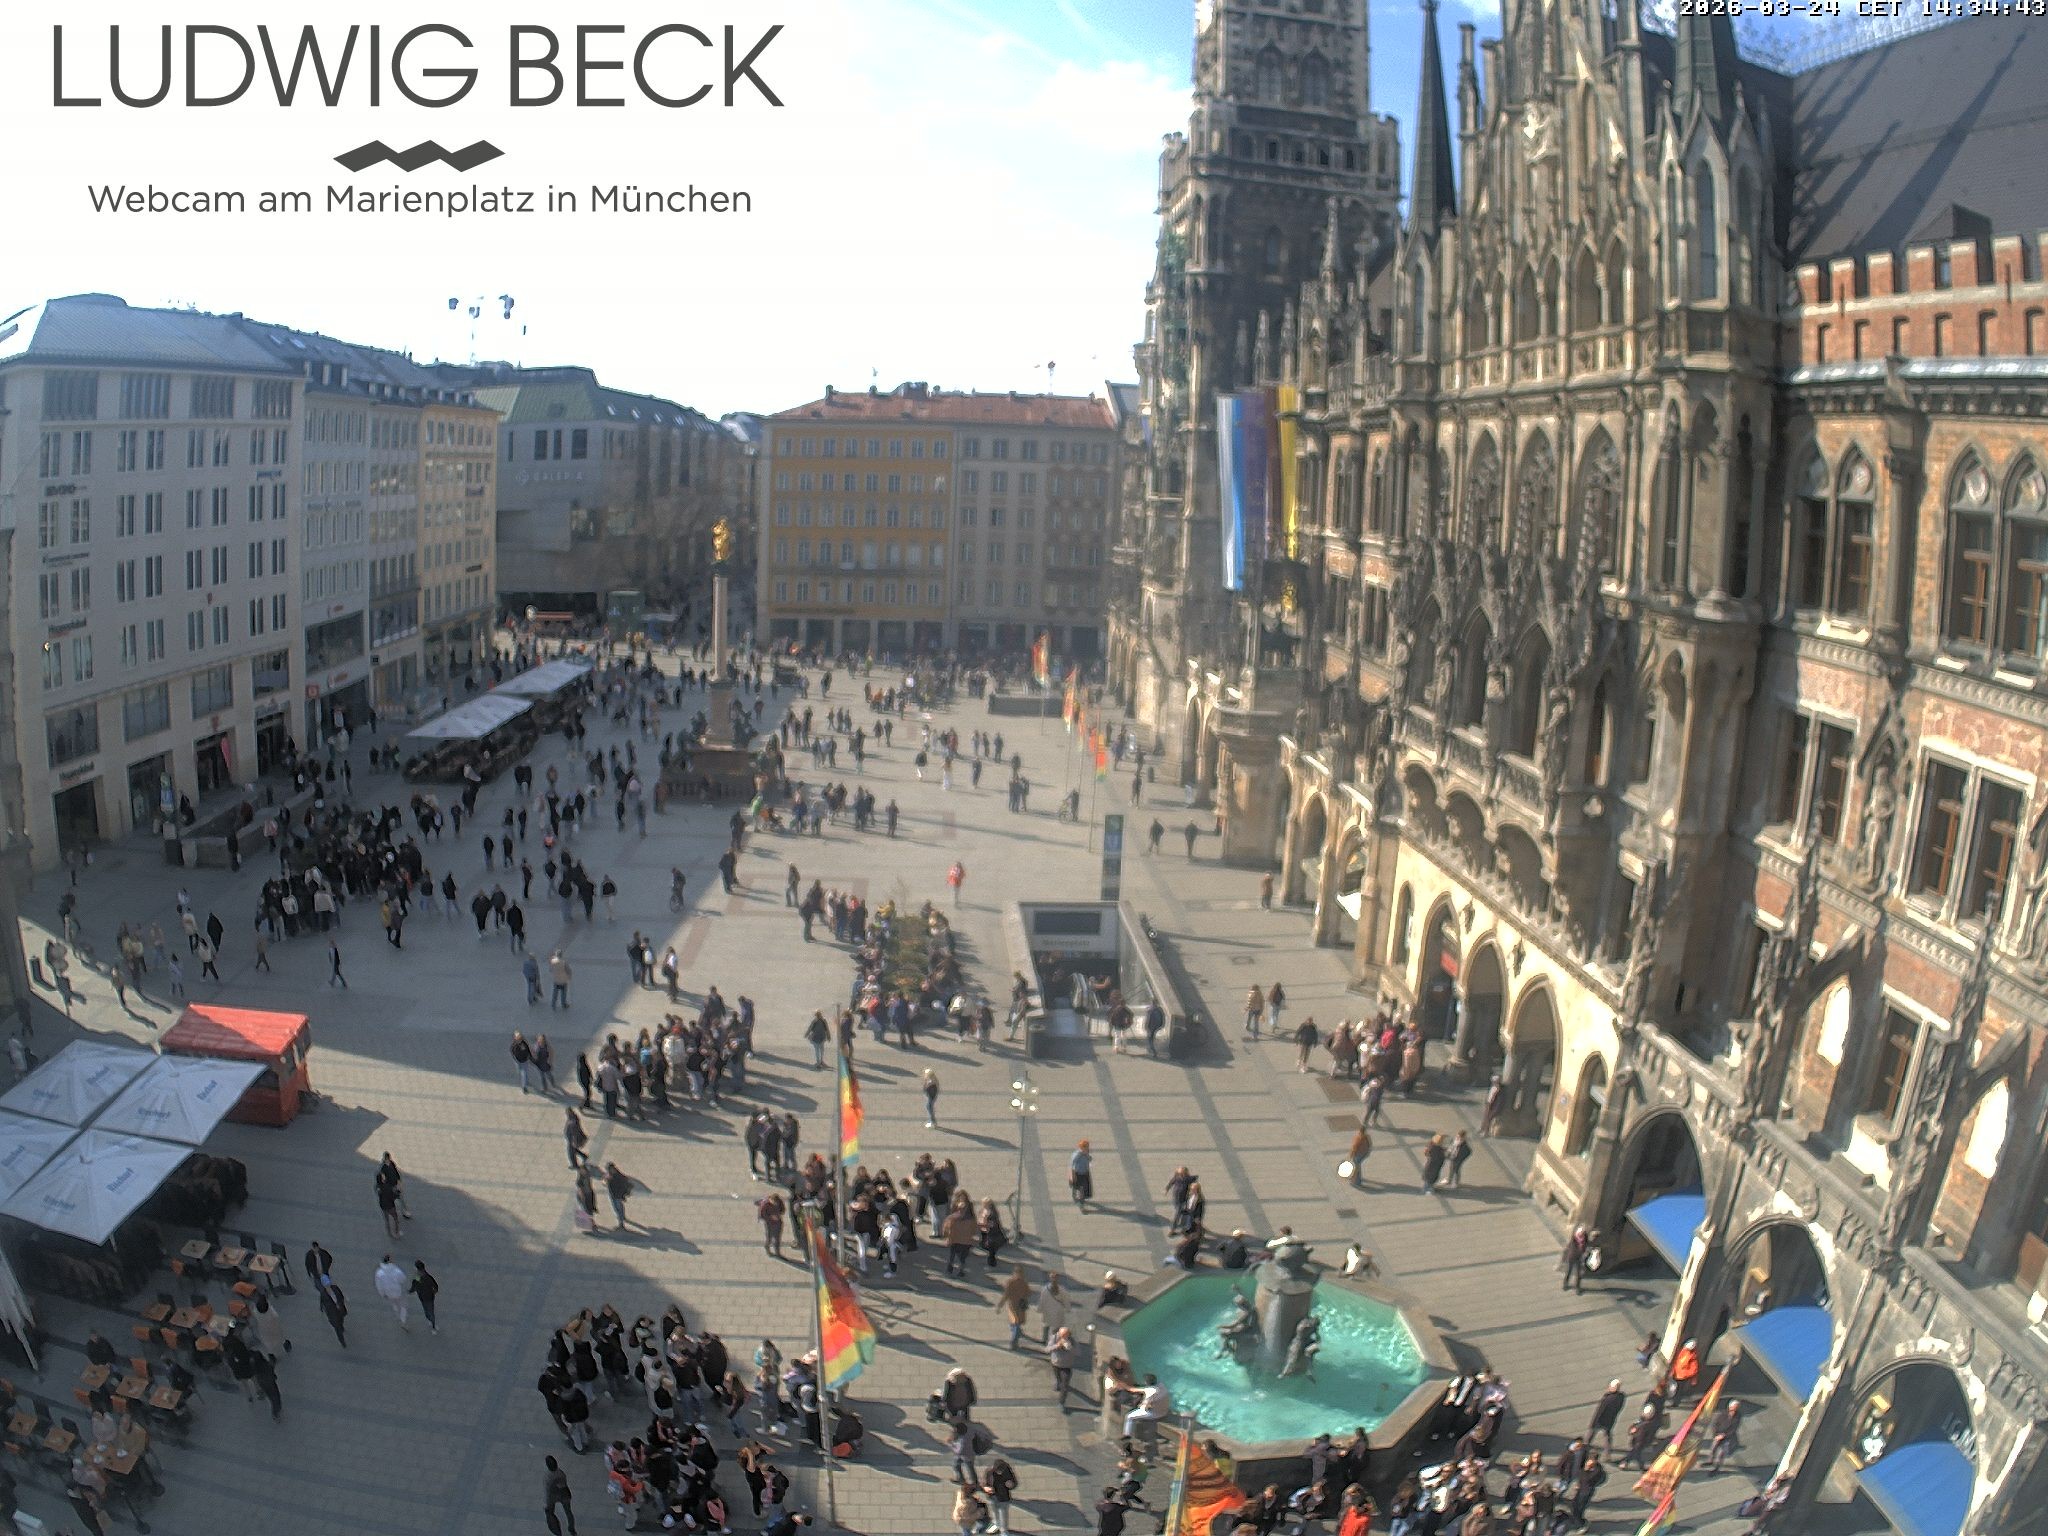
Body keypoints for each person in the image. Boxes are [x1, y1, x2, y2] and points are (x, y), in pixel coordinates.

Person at [544, 1454, 578, 1536]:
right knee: (568, 1512)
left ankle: (557, 1532)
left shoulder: (548, 1477)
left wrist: (546, 1502)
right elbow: (563, 1485)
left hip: (552, 1497)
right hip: (564, 1495)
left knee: (551, 1514)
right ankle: (572, 1529)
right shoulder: (561, 1473)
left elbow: (547, 1490)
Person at [375, 1255, 410, 1328]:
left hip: (388, 1293)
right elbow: (403, 1279)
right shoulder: (396, 1271)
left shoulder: (379, 1273)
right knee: (403, 1305)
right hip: (397, 1291)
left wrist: (382, 1294)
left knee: (394, 1303)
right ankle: (403, 1320)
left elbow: (379, 1285)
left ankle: (397, 1314)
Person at [411, 1260, 441, 1334]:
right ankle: (433, 1326)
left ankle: (430, 1321)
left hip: (422, 1297)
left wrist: (410, 1291)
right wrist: (434, 1292)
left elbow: (414, 1286)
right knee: (431, 1311)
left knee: (426, 1310)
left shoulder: (417, 1277)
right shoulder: (428, 1277)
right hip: (430, 1297)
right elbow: (435, 1286)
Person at [320, 1278, 350, 1347]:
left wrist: (343, 1301)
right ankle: (342, 1341)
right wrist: (321, 1307)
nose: (328, 1286)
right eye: (326, 1285)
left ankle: (341, 1326)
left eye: (328, 1284)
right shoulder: (323, 1294)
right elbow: (322, 1301)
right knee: (337, 1328)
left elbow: (340, 1295)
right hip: (333, 1314)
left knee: (341, 1320)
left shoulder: (335, 1288)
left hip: (340, 1311)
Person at [1069, 1140, 1093, 1206]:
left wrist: (1087, 1155)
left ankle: (1081, 1201)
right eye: (1086, 1147)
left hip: (1084, 1173)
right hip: (1077, 1174)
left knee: (1083, 1188)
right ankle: (1076, 1198)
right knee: (1077, 1187)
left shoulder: (1086, 1153)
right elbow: (1072, 1165)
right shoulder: (1077, 1155)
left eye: (1088, 1147)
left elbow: (1090, 1159)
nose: (1088, 1148)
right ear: (1082, 1147)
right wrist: (1072, 1176)